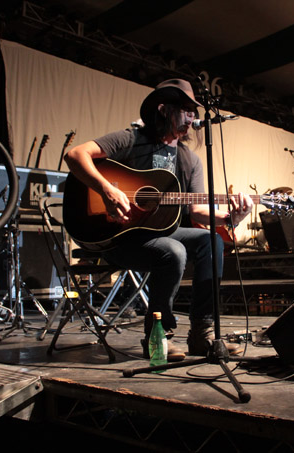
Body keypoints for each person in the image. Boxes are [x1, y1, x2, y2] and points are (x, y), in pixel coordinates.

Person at [65, 79, 253, 361]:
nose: (191, 118)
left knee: (211, 241)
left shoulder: (189, 160)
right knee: (173, 250)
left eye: (193, 112)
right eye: (185, 110)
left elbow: (197, 211)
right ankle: (158, 335)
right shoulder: (130, 139)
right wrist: (107, 190)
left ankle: (202, 334)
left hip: (158, 236)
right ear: (164, 109)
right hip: (117, 238)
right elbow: (75, 155)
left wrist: (231, 217)